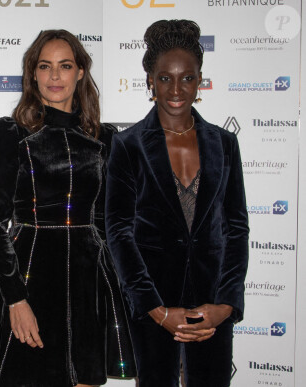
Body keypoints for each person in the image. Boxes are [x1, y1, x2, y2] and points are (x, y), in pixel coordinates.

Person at [0, 30, 136, 386]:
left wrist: (118, 289)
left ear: (80, 72)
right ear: (33, 74)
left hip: (89, 280)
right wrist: (15, 300)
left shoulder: (107, 138)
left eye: (65, 66)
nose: (55, 76)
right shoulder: (8, 133)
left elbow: (108, 222)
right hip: (28, 276)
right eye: (45, 66)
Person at [105, 19, 249, 387]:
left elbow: (236, 229)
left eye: (187, 77)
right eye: (165, 77)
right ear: (150, 81)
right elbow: (118, 232)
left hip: (211, 301)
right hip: (155, 303)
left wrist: (226, 306)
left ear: (200, 80)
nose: (176, 88)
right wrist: (155, 309)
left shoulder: (224, 143)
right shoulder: (128, 145)